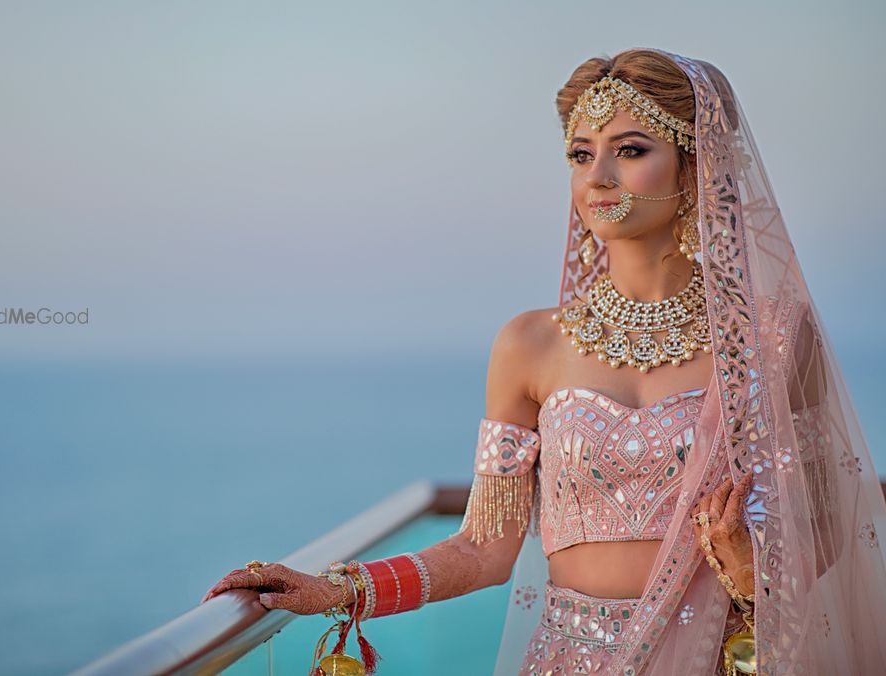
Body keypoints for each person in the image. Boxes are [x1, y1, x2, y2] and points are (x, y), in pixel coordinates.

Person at [201, 48, 886, 675]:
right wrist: (336, 589)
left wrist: (748, 574)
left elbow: (827, 525)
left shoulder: (765, 338)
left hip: (717, 656)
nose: (599, 177)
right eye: (581, 155)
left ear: (697, 163)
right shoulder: (530, 345)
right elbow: (483, 548)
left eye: (631, 149)